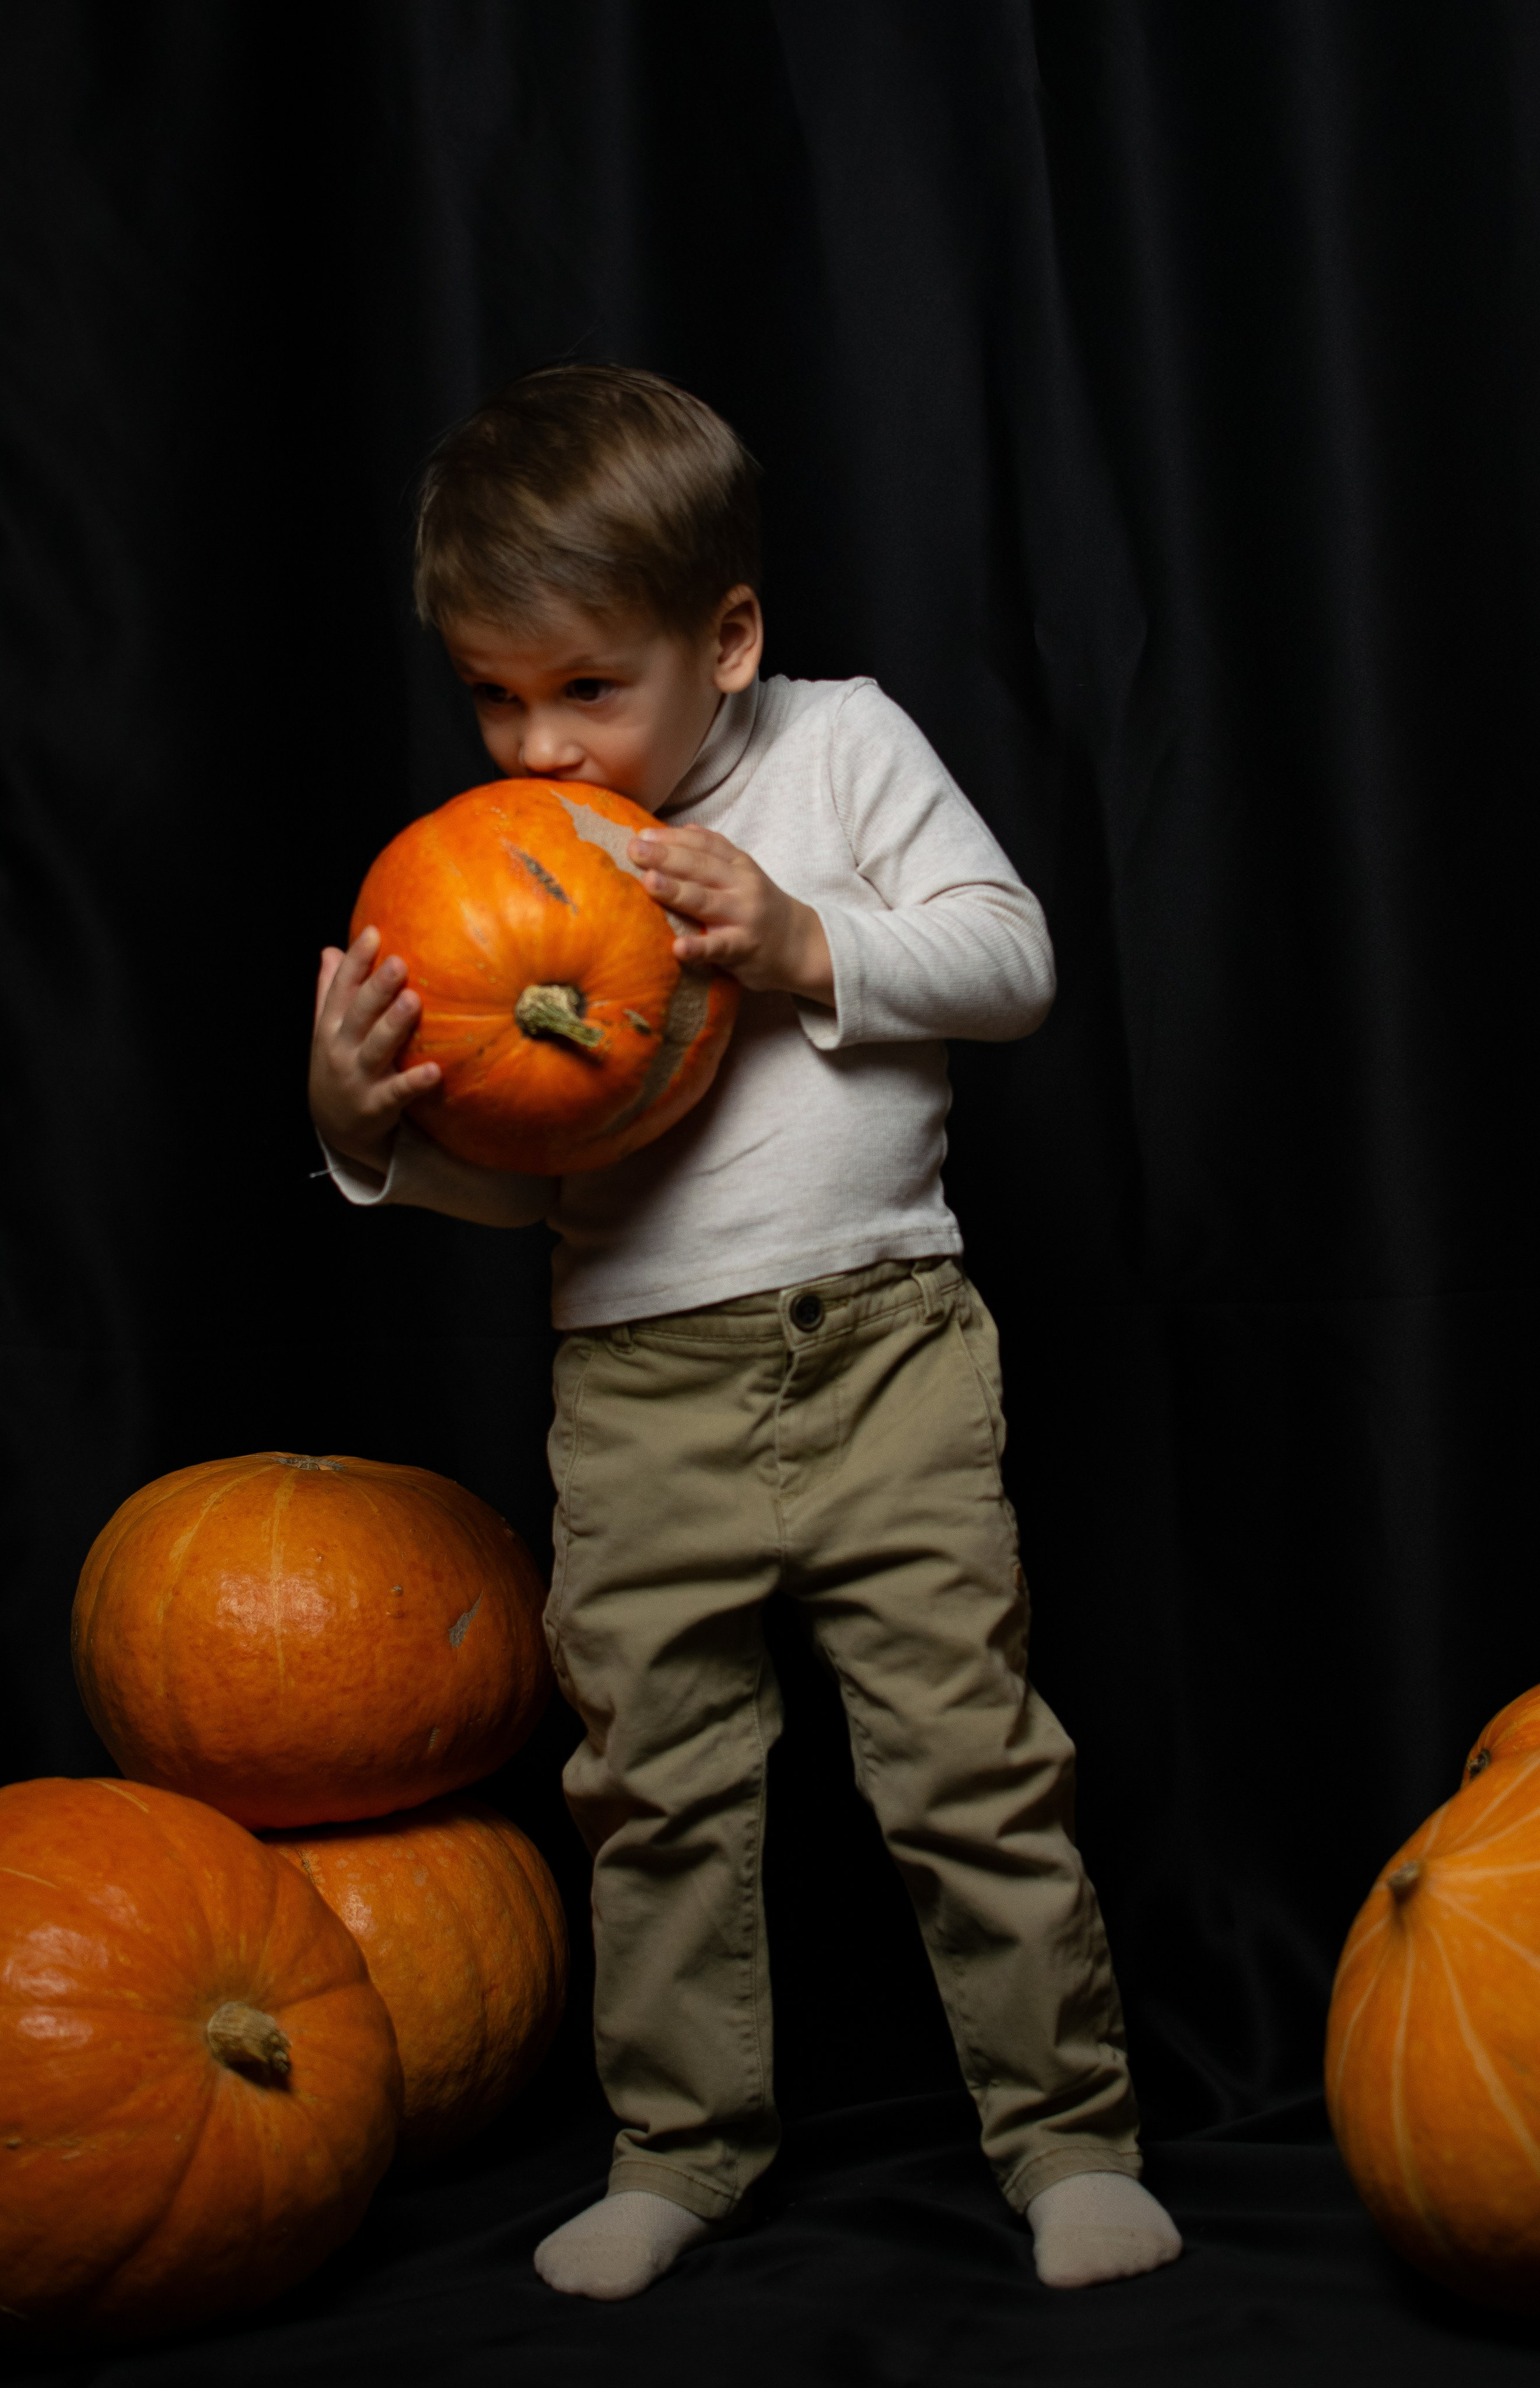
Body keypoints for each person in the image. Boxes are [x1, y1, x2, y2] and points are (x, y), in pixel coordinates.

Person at [309, 365, 1181, 2301]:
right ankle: (679, 2147)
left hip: (879, 1348)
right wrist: (367, 1130)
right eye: (493, 696)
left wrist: (803, 941)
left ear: (729, 639)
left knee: (967, 1757)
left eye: (586, 688)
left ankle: (1066, 2135)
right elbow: (526, 1179)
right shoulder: (508, 861)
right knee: (658, 1786)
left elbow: (1014, 958)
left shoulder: (842, 751)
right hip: (636, 1386)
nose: (540, 745)